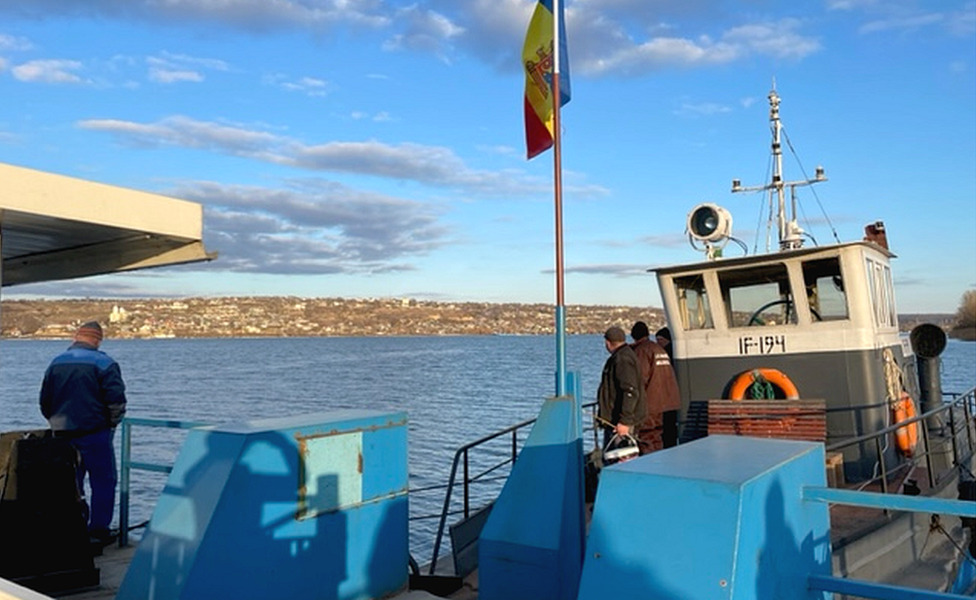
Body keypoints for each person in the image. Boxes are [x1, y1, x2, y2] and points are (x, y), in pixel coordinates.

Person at [39, 321, 127, 545]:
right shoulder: (105, 363)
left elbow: (45, 401)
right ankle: (98, 530)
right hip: (95, 432)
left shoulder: (56, 363)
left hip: (62, 434)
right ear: (97, 340)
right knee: (103, 482)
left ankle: (69, 527)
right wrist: (112, 424)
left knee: (68, 484)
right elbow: (115, 400)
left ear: (76, 337)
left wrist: (55, 421)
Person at [631, 322, 681, 453]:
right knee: (661, 435)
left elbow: (640, 378)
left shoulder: (642, 351)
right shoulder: (660, 350)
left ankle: (651, 464)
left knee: (648, 436)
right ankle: (662, 460)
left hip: (651, 402)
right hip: (668, 400)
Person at [596, 326, 646, 447]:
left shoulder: (622, 359)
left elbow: (630, 390)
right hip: (618, 421)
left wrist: (625, 421)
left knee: (620, 457)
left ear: (607, 342)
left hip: (620, 424)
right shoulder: (626, 355)